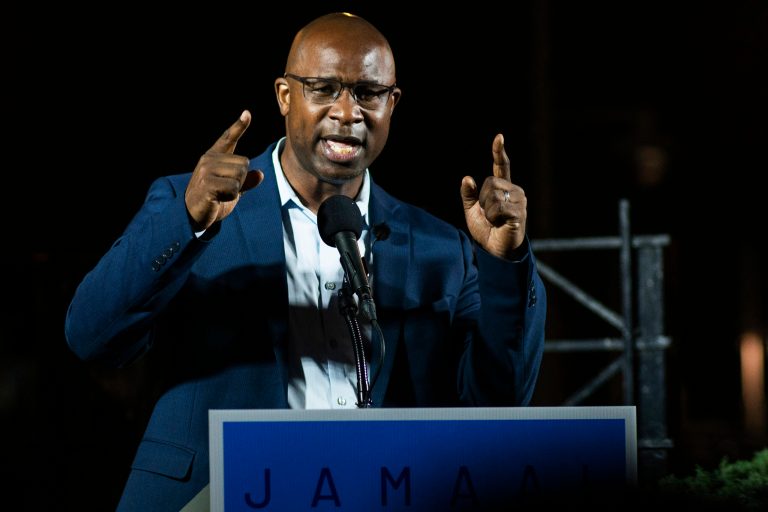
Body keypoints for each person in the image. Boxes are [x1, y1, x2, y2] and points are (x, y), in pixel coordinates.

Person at [64, 11, 547, 511]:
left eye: (367, 93)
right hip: (214, 497)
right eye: (324, 89)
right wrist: (189, 222)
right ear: (284, 96)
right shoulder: (194, 204)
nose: (347, 112)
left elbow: (498, 406)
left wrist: (504, 265)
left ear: (392, 103)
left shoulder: (438, 247)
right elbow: (92, 337)